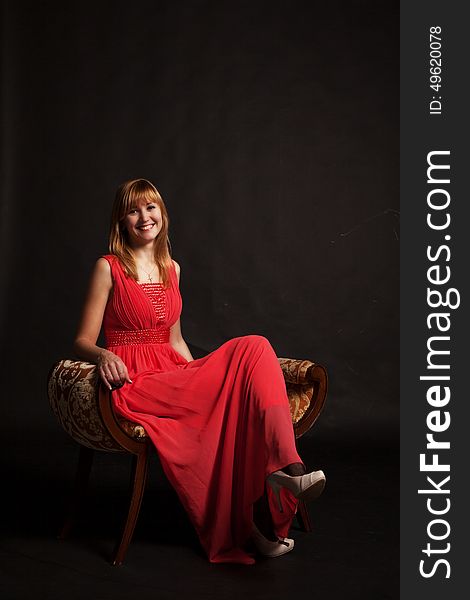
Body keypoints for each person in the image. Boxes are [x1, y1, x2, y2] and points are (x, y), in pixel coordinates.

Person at [73, 178, 326, 564]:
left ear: (162, 214)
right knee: (245, 363)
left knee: (255, 346)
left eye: (151, 207)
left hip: (172, 372)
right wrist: (103, 356)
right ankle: (250, 527)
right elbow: (81, 341)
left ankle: (288, 471)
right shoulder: (107, 268)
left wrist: (201, 379)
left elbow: (174, 341)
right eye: (133, 210)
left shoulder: (172, 269)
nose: (144, 217)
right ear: (121, 221)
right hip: (135, 380)